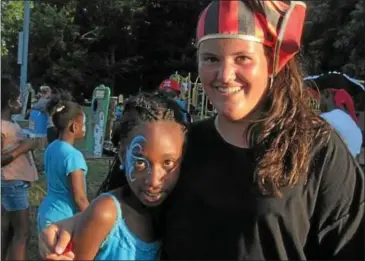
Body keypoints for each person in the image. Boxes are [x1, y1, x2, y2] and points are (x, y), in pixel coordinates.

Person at [39, 0, 364, 260]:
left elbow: (350, 245)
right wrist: (74, 224)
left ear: (272, 62)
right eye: (211, 58)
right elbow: (135, 205)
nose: (224, 74)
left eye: (242, 58)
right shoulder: (185, 144)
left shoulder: (317, 148)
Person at [44, 92, 186, 260]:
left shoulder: (173, 212)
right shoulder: (106, 213)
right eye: (140, 162)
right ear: (122, 155)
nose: (153, 181)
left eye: (168, 163)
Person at [37, 91, 90, 233]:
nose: (85, 128)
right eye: (83, 124)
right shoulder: (74, 156)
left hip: (46, 212)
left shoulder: (52, 147)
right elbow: (80, 198)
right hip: (63, 220)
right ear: (74, 126)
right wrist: (93, 220)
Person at [1, 76, 42, 260]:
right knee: (22, 233)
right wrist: (23, 148)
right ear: (9, 102)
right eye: (17, 99)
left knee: (10, 230)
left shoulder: (10, 123)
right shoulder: (2, 126)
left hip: (13, 183)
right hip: (11, 183)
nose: (20, 103)